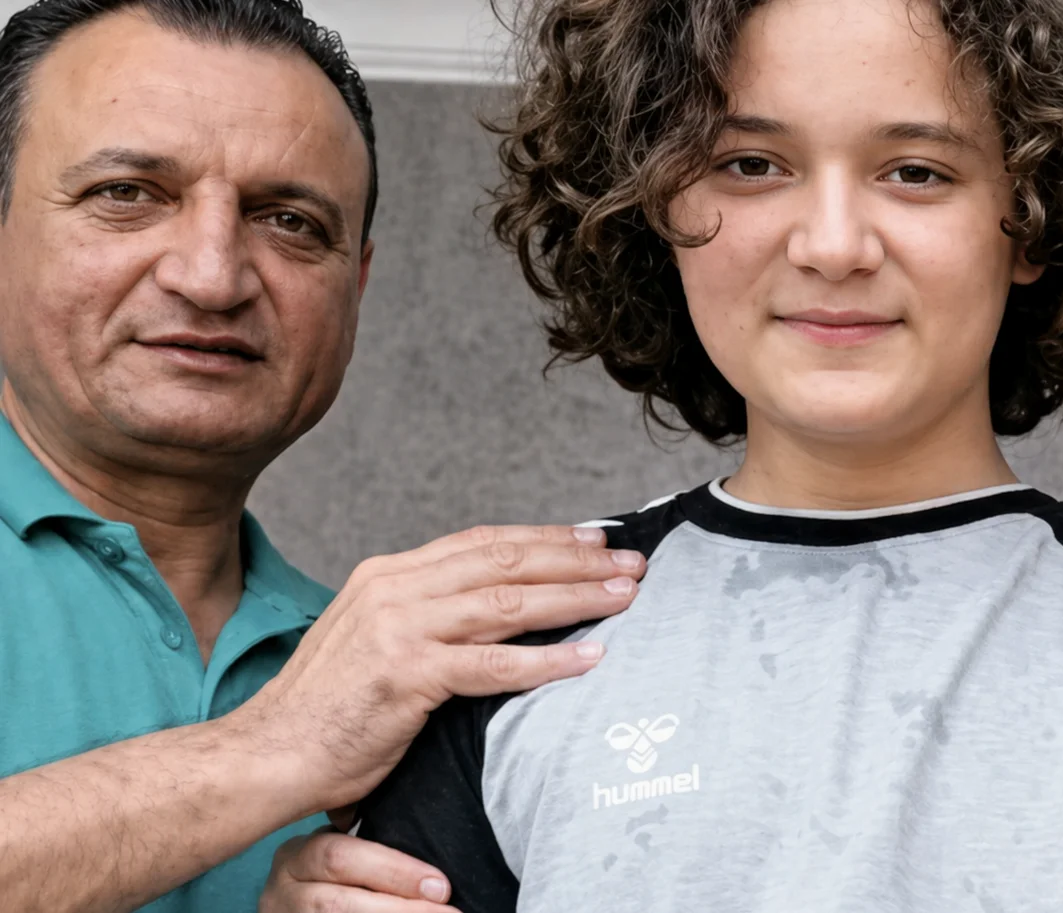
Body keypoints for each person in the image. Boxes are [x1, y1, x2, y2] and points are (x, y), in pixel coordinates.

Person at [318, 0, 1063, 908]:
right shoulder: (512, 641)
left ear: (1031, 220)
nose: (834, 245)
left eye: (916, 172)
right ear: (654, 204)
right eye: (751, 164)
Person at [0, 2, 645, 911]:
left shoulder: (375, 665)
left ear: (356, 286)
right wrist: (269, 747)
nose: (212, 275)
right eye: (127, 194)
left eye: (290, 221)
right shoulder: (333, 700)